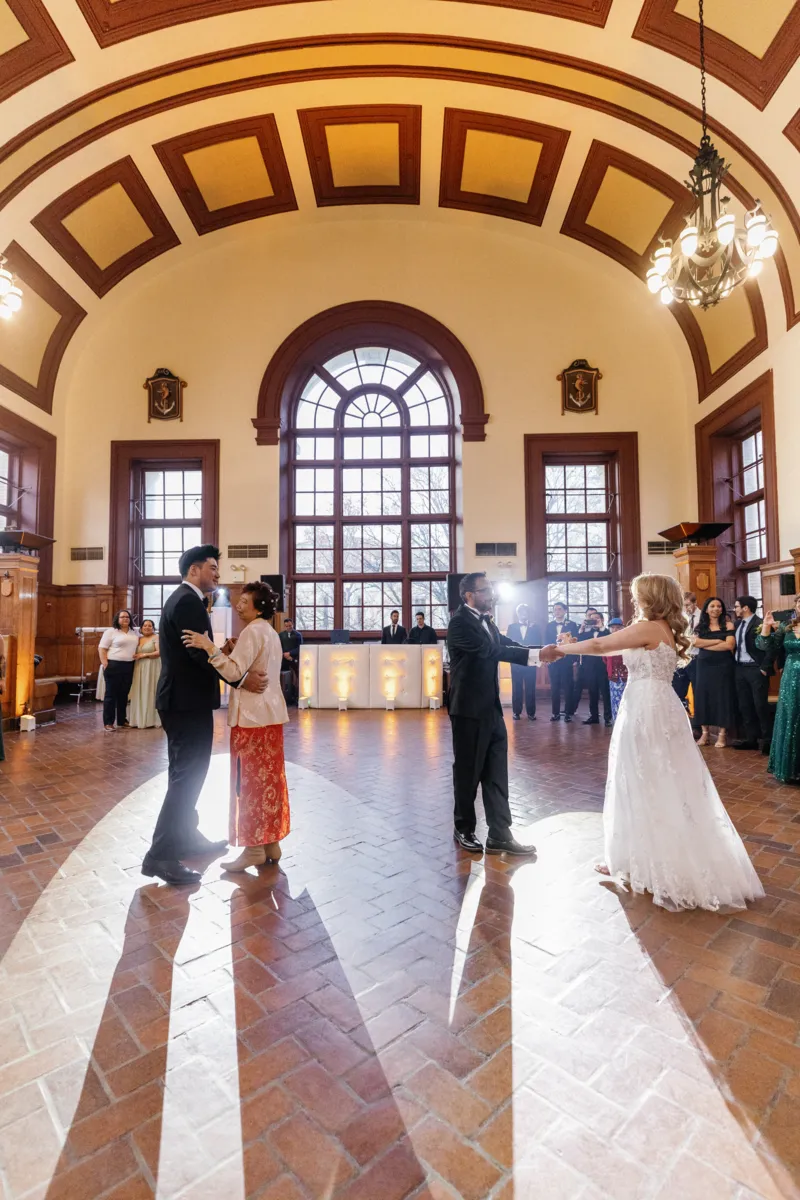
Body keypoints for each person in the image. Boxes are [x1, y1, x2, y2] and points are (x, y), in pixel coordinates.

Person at [540, 573, 764, 911]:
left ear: (651, 597)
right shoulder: (663, 629)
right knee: (663, 779)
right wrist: (572, 645)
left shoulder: (649, 627)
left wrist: (559, 649)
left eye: (637, 595)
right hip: (660, 706)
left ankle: (645, 861)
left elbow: (602, 645)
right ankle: (634, 856)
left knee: (641, 778)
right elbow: (605, 646)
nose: (634, 600)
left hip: (646, 708)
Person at [141, 545, 267, 886]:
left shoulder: (188, 600)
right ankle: (160, 856)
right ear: (194, 570)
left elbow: (199, 650)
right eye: (212, 567)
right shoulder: (187, 601)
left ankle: (186, 837)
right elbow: (197, 656)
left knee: (187, 775)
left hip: (184, 701)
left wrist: (219, 650)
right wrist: (240, 677)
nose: (217, 573)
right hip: (185, 703)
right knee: (187, 776)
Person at [182, 581, 290, 871]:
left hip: (251, 719)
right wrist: (231, 651)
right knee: (269, 780)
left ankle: (253, 847)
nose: (239, 605)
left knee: (249, 782)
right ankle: (271, 843)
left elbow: (234, 671)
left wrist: (208, 647)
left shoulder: (252, 631)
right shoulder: (269, 631)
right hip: (270, 717)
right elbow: (251, 665)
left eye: (244, 601)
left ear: (258, 607)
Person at [447, 572, 537, 856]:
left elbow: (505, 642)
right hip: (469, 710)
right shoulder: (459, 623)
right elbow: (490, 650)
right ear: (469, 595)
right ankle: (463, 828)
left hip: (491, 709)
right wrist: (532, 656)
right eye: (486, 591)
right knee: (467, 771)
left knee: (497, 773)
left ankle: (500, 833)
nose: (492, 595)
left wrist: (541, 652)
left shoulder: (487, 621)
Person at [757, 597, 800, 783]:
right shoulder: (786, 627)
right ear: (796, 606)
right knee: (791, 717)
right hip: (791, 677)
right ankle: (791, 769)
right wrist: (766, 627)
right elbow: (767, 647)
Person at [692, 597, 736, 748]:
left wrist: (707, 644)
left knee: (723, 697)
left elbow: (729, 645)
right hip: (704, 665)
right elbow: (696, 643)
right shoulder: (701, 626)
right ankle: (705, 734)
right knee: (703, 697)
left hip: (724, 665)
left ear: (722, 609)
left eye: (719, 606)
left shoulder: (728, 624)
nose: (716, 608)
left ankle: (722, 735)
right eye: (712, 606)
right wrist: (718, 641)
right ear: (706, 609)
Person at [731, 596, 773, 752]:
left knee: (760, 705)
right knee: (744, 705)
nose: (735, 609)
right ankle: (751, 739)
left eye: (737, 606)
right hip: (740, 668)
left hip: (756, 669)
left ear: (745, 608)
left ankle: (768, 741)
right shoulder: (737, 624)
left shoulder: (760, 623)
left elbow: (771, 647)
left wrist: (764, 667)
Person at [98, 610, 139, 732]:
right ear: (117, 619)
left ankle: (122, 720)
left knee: (124, 694)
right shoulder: (110, 632)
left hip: (129, 665)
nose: (125, 619)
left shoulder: (134, 632)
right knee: (111, 694)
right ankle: (108, 722)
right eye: (122, 617)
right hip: (113, 665)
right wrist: (105, 663)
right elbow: (101, 648)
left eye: (127, 617)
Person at [545, 602, 579, 722]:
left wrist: (574, 660)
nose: (557, 611)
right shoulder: (549, 625)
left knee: (568, 687)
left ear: (565, 611)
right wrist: (547, 658)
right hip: (553, 661)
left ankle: (568, 713)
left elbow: (575, 643)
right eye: (555, 610)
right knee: (554, 688)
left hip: (567, 660)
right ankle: (555, 713)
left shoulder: (572, 625)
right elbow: (546, 643)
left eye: (559, 609)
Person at [577, 611, 612, 726]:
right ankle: (594, 716)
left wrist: (601, 627)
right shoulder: (587, 633)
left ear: (602, 619)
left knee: (605, 692)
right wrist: (582, 629)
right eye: (591, 619)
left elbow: (608, 640)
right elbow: (580, 642)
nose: (594, 620)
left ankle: (608, 718)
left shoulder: (606, 631)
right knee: (592, 692)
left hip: (603, 666)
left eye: (597, 618)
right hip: (590, 666)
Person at [506, 603, 540, 721]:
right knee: (516, 687)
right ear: (518, 614)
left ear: (528, 613)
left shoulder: (535, 627)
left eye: (525, 612)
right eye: (521, 612)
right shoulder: (512, 627)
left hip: (531, 660)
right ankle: (516, 712)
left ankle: (531, 713)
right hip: (516, 661)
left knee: (531, 687)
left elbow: (539, 644)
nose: (523, 614)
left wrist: (537, 660)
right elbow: (508, 644)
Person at [128, 619, 161, 729]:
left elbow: (159, 652)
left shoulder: (156, 638)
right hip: (139, 668)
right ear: (141, 628)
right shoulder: (138, 639)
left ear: (153, 628)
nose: (147, 627)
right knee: (139, 691)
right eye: (145, 625)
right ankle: (138, 719)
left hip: (151, 667)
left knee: (150, 690)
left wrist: (144, 655)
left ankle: (151, 719)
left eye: (150, 625)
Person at [672, 591, 700, 716]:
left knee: (697, 691)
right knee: (677, 689)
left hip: (697, 657)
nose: (686, 608)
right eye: (683, 605)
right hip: (682, 657)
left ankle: (697, 725)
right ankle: (681, 718)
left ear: (695, 603)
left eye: (688, 605)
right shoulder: (681, 617)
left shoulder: (702, 617)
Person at [606, 617, 628, 721]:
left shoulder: (628, 641)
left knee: (627, 700)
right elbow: (605, 659)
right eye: (613, 627)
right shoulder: (607, 641)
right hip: (613, 676)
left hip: (626, 676)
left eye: (618, 627)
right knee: (615, 700)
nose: (615, 630)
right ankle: (617, 723)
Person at [279, 617, 303, 704]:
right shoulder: (281, 635)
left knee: (296, 678)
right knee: (283, 677)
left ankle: (296, 697)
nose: (289, 627)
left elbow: (300, 647)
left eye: (290, 626)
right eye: (286, 626)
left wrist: (290, 654)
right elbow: (278, 646)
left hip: (294, 658)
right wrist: (284, 654)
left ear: (292, 624)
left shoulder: (298, 635)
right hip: (283, 659)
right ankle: (285, 697)